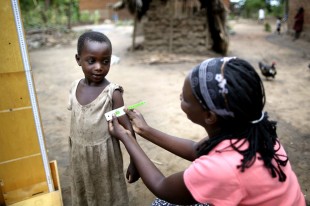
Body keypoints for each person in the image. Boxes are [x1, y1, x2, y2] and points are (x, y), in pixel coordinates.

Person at [109, 57, 306, 206]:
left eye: (185, 98)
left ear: (210, 116)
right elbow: (197, 149)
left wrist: (128, 140)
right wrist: (146, 131)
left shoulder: (221, 169)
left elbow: (162, 186)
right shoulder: (255, 133)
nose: (180, 97)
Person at [68, 31, 139, 205]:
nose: (99, 67)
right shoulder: (74, 86)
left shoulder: (112, 94)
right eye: (91, 61)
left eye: (105, 61)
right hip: (79, 156)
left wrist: (135, 161)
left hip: (105, 159)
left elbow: (127, 128)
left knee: (107, 195)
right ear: (78, 59)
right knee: (85, 192)